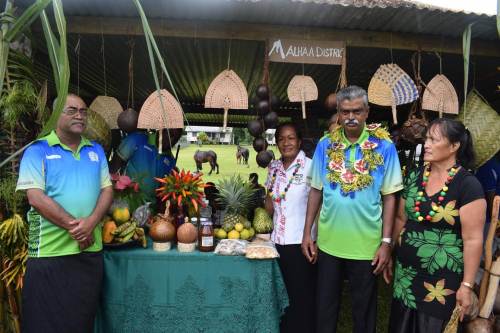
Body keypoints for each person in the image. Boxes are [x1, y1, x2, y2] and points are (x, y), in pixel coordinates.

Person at [302, 85, 403, 333]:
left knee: (364, 311)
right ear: (338, 112)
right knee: (325, 307)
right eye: (345, 111)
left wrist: (386, 242)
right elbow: (316, 190)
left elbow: (391, 196)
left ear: (367, 112)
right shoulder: (325, 145)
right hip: (329, 242)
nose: (350, 117)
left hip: (366, 245)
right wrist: (308, 234)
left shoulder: (385, 147)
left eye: (357, 111)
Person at [16, 93, 113, 333]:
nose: (79, 116)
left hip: (88, 254)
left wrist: (90, 223)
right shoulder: (37, 151)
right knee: (43, 324)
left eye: (83, 111)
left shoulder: (96, 151)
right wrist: (78, 228)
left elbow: (107, 191)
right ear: (55, 113)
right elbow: (36, 198)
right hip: (49, 254)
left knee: (80, 322)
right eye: (72, 110)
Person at [387, 118, 486, 332]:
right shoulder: (415, 177)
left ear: (454, 146)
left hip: (441, 283)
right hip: (405, 277)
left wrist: (467, 286)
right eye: (427, 139)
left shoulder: (468, 185)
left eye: (434, 139)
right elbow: (400, 219)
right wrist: (389, 251)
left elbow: (473, 239)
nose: (427, 144)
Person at [265, 122, 316, 333]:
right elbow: (270, 203)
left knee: (300, 295)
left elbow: (320, 204)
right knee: (280, 292)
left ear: (299, 141)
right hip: (276, 242)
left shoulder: (311, 166)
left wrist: (315, 239)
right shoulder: (273, 167)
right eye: (281, 139)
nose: (286, 143)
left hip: (301, 242)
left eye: (291, 138)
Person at [109, 129, 180, 207]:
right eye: (170, 134)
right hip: (124, 204)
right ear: (162, 130)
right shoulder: (136, 139)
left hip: (149, 209)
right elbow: (114, 167)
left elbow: (162, 190)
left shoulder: (170, 160)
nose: (172, 140)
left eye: (176, 139)